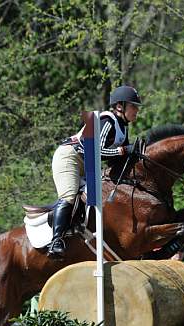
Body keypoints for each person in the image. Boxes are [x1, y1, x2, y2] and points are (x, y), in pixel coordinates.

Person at [48, 85, 142, 258]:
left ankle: (77, 227)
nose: (137, 110)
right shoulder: (107, 120)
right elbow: (95, 150)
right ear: (120, 106)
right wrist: (123, 151)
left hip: (87, 164)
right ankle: (56, 241)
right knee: (69, 196)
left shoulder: (123, 128)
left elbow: (116, 160)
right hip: (70, 157)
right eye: (133, 106)